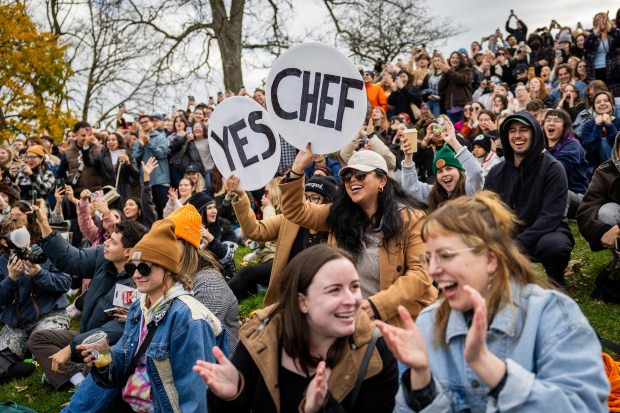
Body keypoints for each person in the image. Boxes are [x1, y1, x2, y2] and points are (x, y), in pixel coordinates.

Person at [380, 191, 609, 412]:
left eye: (446, 255)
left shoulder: (552, 315)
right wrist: (421, 381)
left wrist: (491, 370)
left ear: (490, 259)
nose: (432, 270)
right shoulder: (428, 323)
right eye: (428, 258)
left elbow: (585, 407)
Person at [196, 244, 399, 412]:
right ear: (302, 302)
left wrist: (324, 409)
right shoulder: (261, 333)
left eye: (354, 287)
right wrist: (229, 398)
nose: (351, 300)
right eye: (334, 290)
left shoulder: (375, 353)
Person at [279, 145, 437, 326]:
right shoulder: (337, 214)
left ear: (382, 181)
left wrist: (376, 306)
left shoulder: (411, 218)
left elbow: (421, 274)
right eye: (347, 177)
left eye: (360, 175)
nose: (352, 179)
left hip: (396, 322)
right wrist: (297, 170)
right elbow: (296, 211)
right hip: (346, 319)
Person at [83, 219, 227, 412]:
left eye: (145, 267)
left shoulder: (189, 319)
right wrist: (103, 360)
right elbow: (124, 363)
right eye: (131, 267)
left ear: (167, 269)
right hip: (131, 403)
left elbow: (196, 398)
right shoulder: (139, 307)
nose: (135, 275)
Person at [27, 210, 147, 391]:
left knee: (100, 370)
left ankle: (81, 377)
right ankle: (76, 380)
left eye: (113, 242)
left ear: (128, 252)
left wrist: (71, 349)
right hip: (86, 334)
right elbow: (71, 259)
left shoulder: (136, 282)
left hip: (109, 347)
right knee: (38, 339)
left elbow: (117, 329)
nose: (105, 243)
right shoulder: (102, 255)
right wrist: (44, 223)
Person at [484, 111, 574, 286]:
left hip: (546, 231)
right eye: (512, 131)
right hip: (509, 233)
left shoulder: (553, 168)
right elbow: (486, 213)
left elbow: (551, 215)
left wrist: (518, 243)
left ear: (534, 133)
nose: (518, 135)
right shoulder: (496, 173)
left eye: (524, 130)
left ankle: (556, 279)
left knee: (554, 246)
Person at [228, 174, 338, 304]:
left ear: (329, 203)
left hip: (323, 298)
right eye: (305, 197)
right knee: (247, 274)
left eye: (315, 198)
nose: (308, 202)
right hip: (290, 296)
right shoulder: (289, 220)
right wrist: (241, 196)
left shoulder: (337, 229)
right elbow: (254, 230)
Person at [0, 217, 71, 381]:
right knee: (3, 357)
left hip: (51, 315)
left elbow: (65, 283)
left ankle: (42, 365)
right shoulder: (2, 264)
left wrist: (40, 274)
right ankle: (16, 367)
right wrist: (10, 279)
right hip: (17, 323)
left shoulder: (43, 253)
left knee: (43, 343)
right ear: (5, 242)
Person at [167, 205, 239, 353]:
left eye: (170, 239)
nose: (164, 245)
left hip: (215, 367)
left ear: (186, 244)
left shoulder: (208, 282)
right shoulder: (176, 274)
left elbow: (198, 338)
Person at [402, 120, 483, 211]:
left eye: (449, 168)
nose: (445, 174)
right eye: (440, 171)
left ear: (460, 171)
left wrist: (454, 142)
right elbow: (410, 186)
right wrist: (408, 156)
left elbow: (476, 172)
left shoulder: (469, 189)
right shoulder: (434, 193)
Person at [543, 109, 589, 217]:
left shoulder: (573, 145)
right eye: (548, 120)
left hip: (575, 196)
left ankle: (557, 229)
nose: (551, 123)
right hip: (547, 193)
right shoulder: (541, 145)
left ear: (565, 126)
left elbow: (560, 170)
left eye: (557, 120)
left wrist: (543, 153)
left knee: (560, 192)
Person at [133, 115, 170, 218]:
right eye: (142, 122)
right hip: (145, 181)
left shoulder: (161, 137)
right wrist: (140, 147)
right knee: (149, 212)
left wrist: (149, 143)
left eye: (146, 121)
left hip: (160, 181)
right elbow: (135, 160)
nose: (144, 124)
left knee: (164, 211)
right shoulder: (138, 142)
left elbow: (162, 154)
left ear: (152, 123)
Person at [584, 12, 620, 97]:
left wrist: (608, 26)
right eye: (597, 20)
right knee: (600, 95)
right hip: (596, 70)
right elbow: (586, 45)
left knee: (615, 95)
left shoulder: (615, 33)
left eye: (602, 19)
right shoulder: (593, 36)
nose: (600, 21)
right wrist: (598, 29)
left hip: (613, 69)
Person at [581, 91, 620, 169]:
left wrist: (609, 125)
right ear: (594, 107)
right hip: (596, 166)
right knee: (603, 142)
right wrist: (597, 127)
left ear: (612, 104)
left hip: (618, 161)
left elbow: (618, 145)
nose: (602, 103)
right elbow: (589, 148)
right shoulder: (588, 125)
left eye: (606, 101)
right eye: (598, 102)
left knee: (604, 142)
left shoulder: (619, 121)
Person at [438, 52, 473, 123]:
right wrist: (445, 73)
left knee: (461, 130)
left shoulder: (466, 70)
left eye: (457, 58)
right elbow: (440, 87)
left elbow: (462, 79)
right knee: (452, 130)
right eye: (452, 58)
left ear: (461, 60)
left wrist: (449, 71)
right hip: (449, 107)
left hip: (462, 106)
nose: (454, 59)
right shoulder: (448, 71)